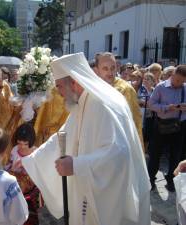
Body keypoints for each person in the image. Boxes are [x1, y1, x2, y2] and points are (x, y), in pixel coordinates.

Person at [22, 52, 151, 225]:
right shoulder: (83, 100)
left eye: (59, 86)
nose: (59, 93)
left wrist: (76, 165)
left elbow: (119, 153)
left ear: (74, 82)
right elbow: (64, 135)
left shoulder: (102, 103)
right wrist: (33, 157)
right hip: (86, 190)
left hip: (109, 199)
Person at [93, 52, 144, 150]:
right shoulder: (92, 88)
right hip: (96, 142)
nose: (110, 73)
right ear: (97, 70)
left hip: (119, 145)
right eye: (105, 68)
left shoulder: (126, 89)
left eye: (113, 68)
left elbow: (135, 122)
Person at [148, 65, 186, 192]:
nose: (178, 83)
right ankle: (150, 180)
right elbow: (151, 105)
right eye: (177, 80)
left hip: (178, 127)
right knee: (155, 155)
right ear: (173, 75)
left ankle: (171, 181)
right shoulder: (161, 87)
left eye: (182, 81)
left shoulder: (185, 88)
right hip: (161, 126)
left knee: (175, 155)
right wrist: (167, 107)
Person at [5, 123, 40, 225]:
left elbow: (38, 172)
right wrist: (13, 169)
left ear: (31, 142)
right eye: (19, 143)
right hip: (15, 178)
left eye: (25, 144)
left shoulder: (36, 153)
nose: (22, 147)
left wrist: (27, 167)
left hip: (30, 182)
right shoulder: (15, 150)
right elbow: (8, 166)